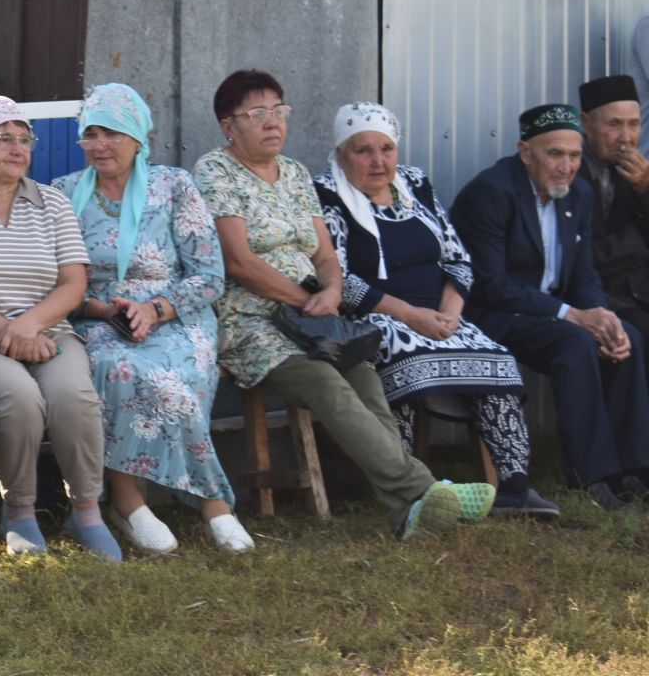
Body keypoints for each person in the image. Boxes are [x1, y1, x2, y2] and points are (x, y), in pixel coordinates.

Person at [193, 70, 493, 539]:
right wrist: (307, 300)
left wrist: (330, 292)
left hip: (315, 316)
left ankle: (407, 515)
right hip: (252, 320)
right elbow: (239, 262)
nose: (272, 122)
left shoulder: (292, 173)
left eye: (278, 111)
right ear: (228, 125)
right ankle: (425, 488)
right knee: (325, 383)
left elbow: (325, 254)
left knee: (365, 379)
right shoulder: (213, 171)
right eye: (257, 114)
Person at [313, 102, 558, 518]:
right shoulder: (327, 193)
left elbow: (457, 258)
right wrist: (411, 316)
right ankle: (413, 490)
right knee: (400, 359)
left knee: (497, 360)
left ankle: (514, 487)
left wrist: (450, 314)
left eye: (386, 149)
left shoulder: (415, 183)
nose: (378, 161)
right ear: (341, 154)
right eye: (363, 151)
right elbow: (339, 279)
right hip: (374, 316)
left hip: (439, 315)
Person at [52, 84, 256, 554]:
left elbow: (209, 276)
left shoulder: (174, 186)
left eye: (114, 135)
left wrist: (155, 309)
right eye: (92, 135)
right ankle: (127, 501)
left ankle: (212, 505)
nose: (101, 146)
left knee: (176, 377)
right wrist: (101, 309)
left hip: (178, 314)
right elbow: (56, 282)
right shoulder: (63, 195)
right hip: (100, 318)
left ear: (139, 140)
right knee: (114, 367)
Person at [0, 95, 121, 561]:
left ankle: (86, 511)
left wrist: (31, 325)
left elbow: (75, 282)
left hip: (49, 332)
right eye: (4, 138)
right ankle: (20, 512)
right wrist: (7, 332)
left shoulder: (51, 201)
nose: (18, 149)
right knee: (16, 399)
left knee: (74, 397)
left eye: (24, 140)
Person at [450, 102, 649, 511]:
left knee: (627, 337)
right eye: (554, 154)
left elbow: (585, 275)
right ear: (526, 152)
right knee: (574, 344)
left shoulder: (577, 193)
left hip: (548, 312)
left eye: (574, 155)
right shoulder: (490, 193)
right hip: (494, 315)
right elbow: (490, 285)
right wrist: (573, 315)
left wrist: (602, 316)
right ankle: (589, 476)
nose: (566, 166)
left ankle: (634, 469)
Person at [580, 74, 649, 337]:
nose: (626, 138)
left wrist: (645, 190)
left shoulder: (638, 169)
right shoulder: (569, 168)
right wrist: (638, 240)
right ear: (586, 123)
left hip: (637, 289)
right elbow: (586, 256)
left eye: (634, 124)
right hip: (598, 296)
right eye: (614, 124)